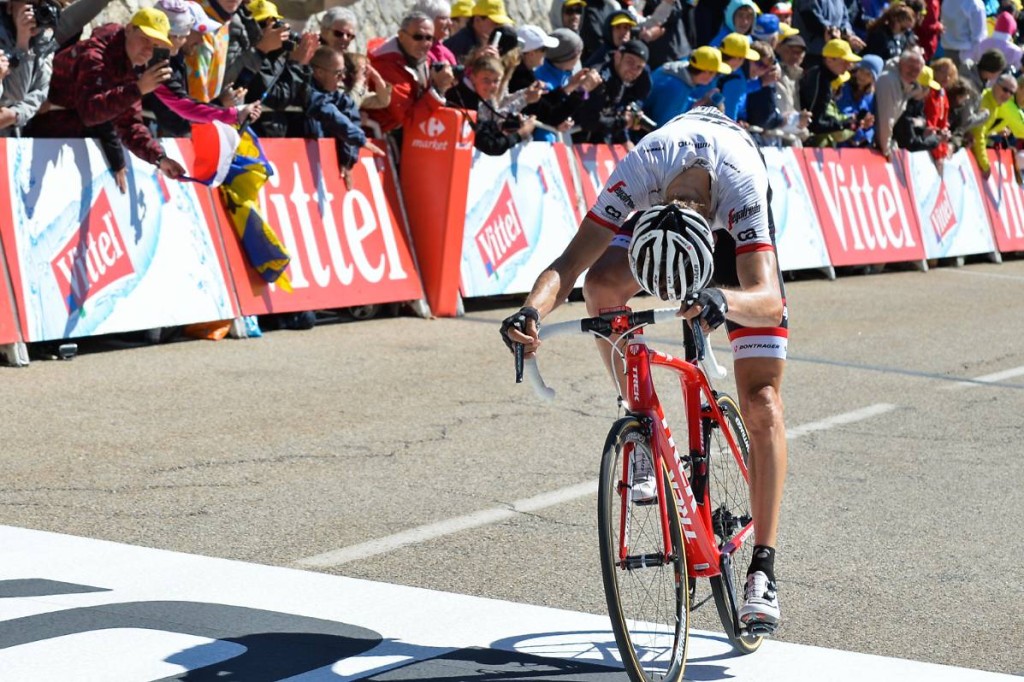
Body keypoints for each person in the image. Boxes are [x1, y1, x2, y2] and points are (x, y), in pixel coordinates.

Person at [500, 105, 789, 633]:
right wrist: (531, 311)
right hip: (664, 219)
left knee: (762, 399)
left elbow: (767, 299)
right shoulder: (639, 172)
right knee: (602, 287)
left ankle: (763, 569)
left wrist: (722, 300)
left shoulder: (741, 189)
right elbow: (568, 266)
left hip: (724, 242)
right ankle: (641, 422)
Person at [25, 8, 186, 179]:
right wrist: (138, 89)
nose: (148, 50)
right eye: (145, 39)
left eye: (155, 46)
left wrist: (160, 159)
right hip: (33, 127)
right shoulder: (95, 56)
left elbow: (129, 124)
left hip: (61, 136)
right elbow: (91, 112)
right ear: (130, 29)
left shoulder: (131, 66)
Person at [369, 11, 456, 136]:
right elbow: (408, 119)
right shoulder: (386, 66)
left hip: (406, 134)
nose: (424, 43)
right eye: (418, 37)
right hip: (382, 136)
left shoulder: (422, 58)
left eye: (429, 38)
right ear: (401, 36)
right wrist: (438, 89)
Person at [305, 46, 385, 181]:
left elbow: (351, 116)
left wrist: (347, 161)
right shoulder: (306, 89)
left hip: (323, 166)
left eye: (343, 72)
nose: (342, 78)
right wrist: (360, 139)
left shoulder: (339, 97)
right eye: (337, 73)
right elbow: (330, 113)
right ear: (319, 72)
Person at [447, 52, 539, 154]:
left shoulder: (477, 93)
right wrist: (521, 133)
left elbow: (492, 123)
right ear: (473, 77)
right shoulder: (463, 98)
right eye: (486, 80)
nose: (491, 86)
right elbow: (490, 145)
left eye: (496, 81)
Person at [572, 39, 652, 143]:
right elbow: (589, 121)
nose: (633, 70)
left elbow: (614, 112)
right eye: (630, 62)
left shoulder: (620, 77)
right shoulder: (599, 78)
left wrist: (626, 135)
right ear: (618, 56)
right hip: (572, 137)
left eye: (639, 67)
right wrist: (623, 122)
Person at [799, 38, 872, 146]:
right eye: (844, 61)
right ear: (829, 59)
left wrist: (849, 123)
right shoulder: (820, 79)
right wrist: (845, 124)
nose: (849, 66)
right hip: (809, 142)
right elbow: (815, 123)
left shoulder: (825, 78)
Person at [0, 0, 53, 135]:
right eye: (29, 4)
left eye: (40, 5)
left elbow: (41, 90)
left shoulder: (43, 39)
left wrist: (16, 114)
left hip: (12, 134)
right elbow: (12, 96)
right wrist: (22, 41)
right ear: (10, 6)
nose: (34, 12)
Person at [646, 45, 730, 126]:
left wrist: (700, 102)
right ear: (706, 72)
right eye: (716, 73)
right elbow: (665, 126)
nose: (714, 78)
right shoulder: (677, 88)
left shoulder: (679, 70)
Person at [873, 48, 925, 159]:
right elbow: (886, 120)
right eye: (909, 67)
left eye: (917, 69)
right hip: (873, 143)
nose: (912, 72)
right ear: (900, 63)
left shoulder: (905, 84)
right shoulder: (889, 81)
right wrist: (886, 149)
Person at [970, 72, 1024, 178]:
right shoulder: (1010, 106)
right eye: (1005, 90)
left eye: (1010, 92)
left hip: (975, 145)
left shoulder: (1005, 102)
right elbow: (978, 132)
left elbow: (985, 129)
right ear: (1020, 89)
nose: (1007, 95)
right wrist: (985, 164)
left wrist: (996, 130)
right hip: (970, 147)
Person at [444, 0, 513, 62]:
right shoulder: (461, 42)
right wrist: (476, 61)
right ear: (477, 20)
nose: (499, 27)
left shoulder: (483, 41)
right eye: (495, 23)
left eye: (501, 24)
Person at [835, 53, 880, 147]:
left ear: (873, 79)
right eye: (861, 71)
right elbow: (843, 114)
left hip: (861, 146)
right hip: (841, 142)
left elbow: (873, 124)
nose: (862, 76)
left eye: (868, 74)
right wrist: (860, 125)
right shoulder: (844, 88)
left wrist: (865, 137)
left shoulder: (872, 96)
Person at [940, 0, 986, 74]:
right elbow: (979, 37)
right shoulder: (975, 3)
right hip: (966, 55)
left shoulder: (947, 1)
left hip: (947, 51)